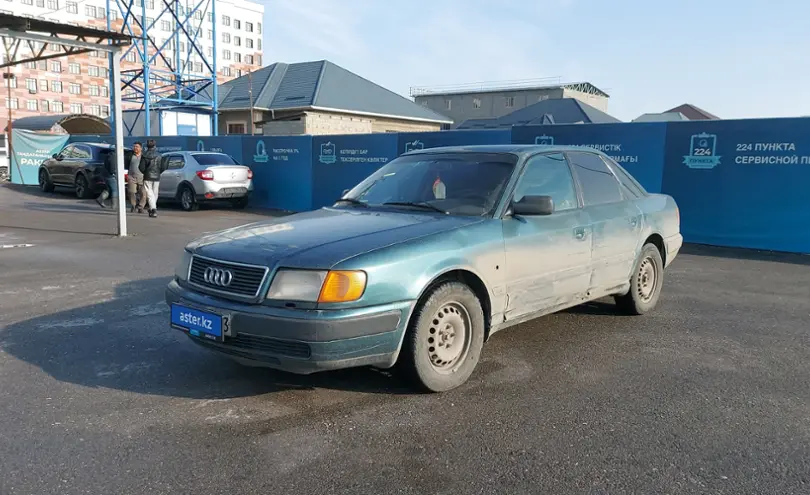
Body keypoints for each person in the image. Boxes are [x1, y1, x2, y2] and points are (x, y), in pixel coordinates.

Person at [138, 139, 164, 218]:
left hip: (147, 176)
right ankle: (152, 208)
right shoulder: (159, 155)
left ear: (146, 146)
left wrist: (145, 172)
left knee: (150, 193)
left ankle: (153, 209)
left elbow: (141, 167)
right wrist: (158, 172)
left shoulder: (144, 155)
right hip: (157, 176)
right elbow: (163, 167)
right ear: (155, 146)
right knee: (155, 193)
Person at [127, 141, 147, 214]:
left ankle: (141, 207)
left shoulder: (144, 156)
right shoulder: (130, 155)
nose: (135, 148)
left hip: (142, 177)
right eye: (134, 146)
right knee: (131, 192)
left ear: (141, 148)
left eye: (137, 146)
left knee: (143, 193)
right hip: (132, 177)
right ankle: (133, 205)